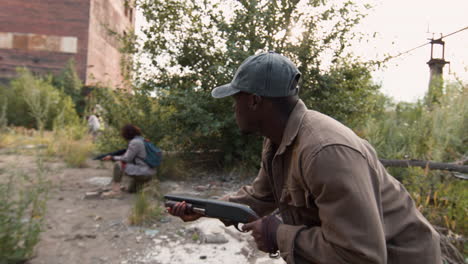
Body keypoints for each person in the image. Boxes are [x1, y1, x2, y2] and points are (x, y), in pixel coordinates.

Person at [168, 52, 442, 263]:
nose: (233, 107)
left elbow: (362, 256)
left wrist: (278, 234)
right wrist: (204, 209)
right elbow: (260, 197)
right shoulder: (278, 139)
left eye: (235, 98)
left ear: (254, 101)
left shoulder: (325, 152)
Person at [101, 124, 156, 197]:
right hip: (150, 171)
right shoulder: (143, 140)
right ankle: (144, 186)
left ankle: (115, 191)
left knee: (118, 164)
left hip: (143, 172)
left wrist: (112, 157)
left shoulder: (135, 142)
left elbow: (126, 158)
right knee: (131, 190)